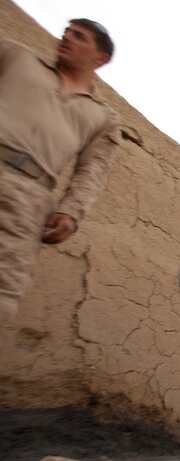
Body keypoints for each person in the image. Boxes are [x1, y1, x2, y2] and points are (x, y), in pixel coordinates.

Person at [0, 19, 120, 328]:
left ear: (100, 58)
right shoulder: (16, 57)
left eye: (79, 37)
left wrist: (71, 212)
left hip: (26, 204)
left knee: (3, 294)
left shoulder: (101, 117)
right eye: (66, 32)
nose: (66, 38)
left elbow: (92, 171)